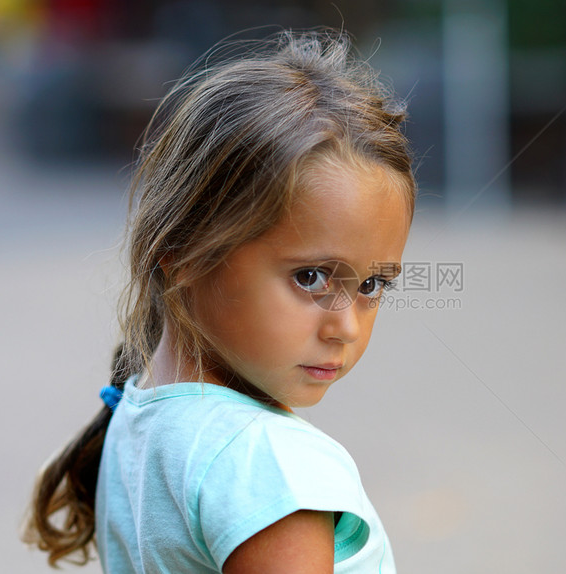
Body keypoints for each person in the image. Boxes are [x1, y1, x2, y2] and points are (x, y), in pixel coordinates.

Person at [23, 30, 415, 574]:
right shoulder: (269, 467)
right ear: (182, 254)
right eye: (310, 277)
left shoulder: (133, 418)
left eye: (372, 286)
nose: (346, 327)